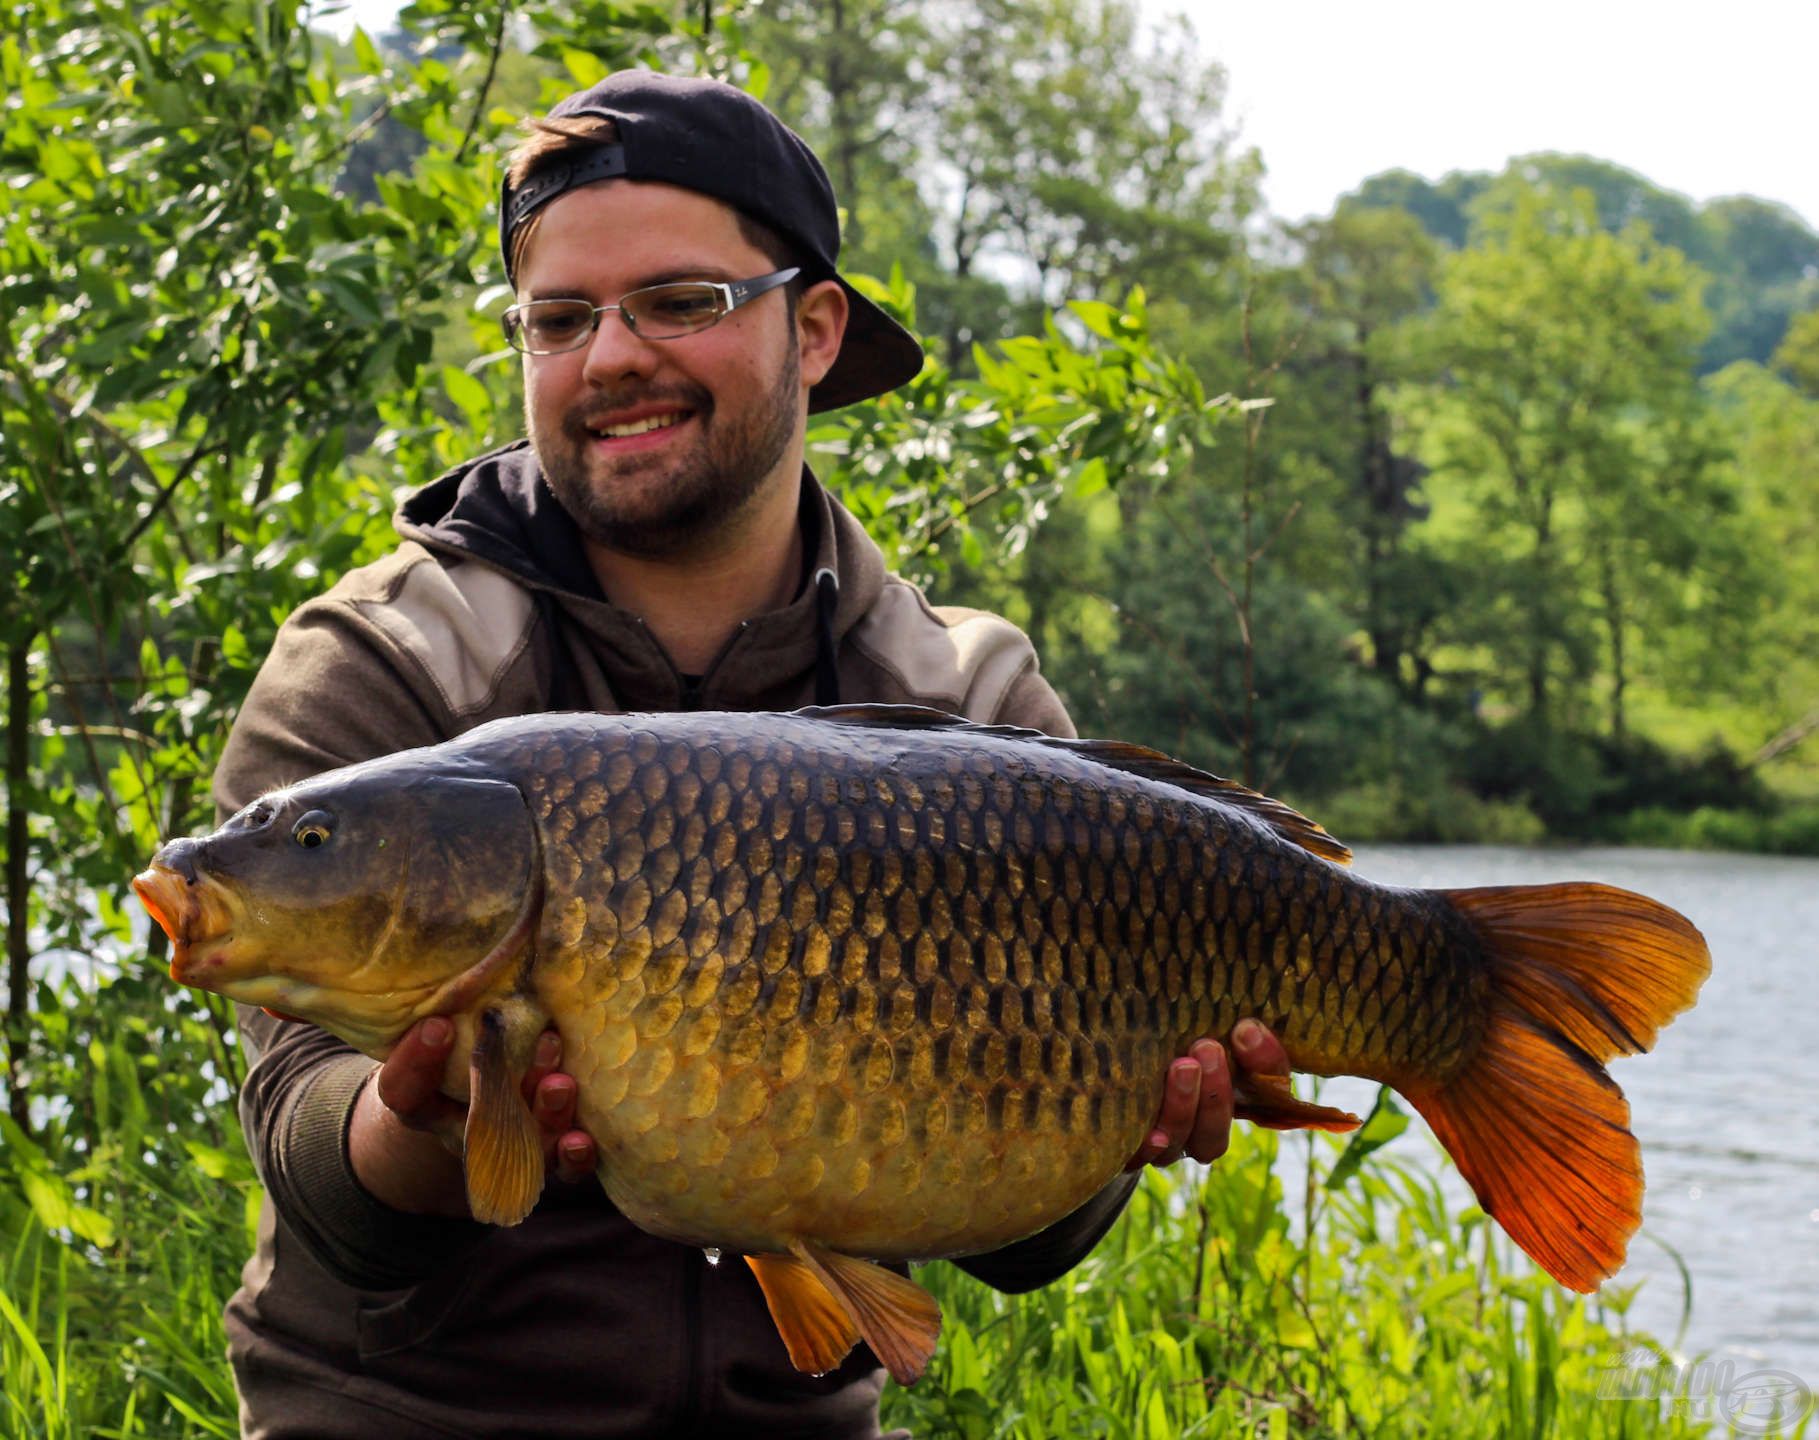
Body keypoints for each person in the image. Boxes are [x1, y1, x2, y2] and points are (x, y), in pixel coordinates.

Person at [213, 70, 1293, 1439]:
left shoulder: (969, 703)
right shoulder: (385, 666)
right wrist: (423, 1130)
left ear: (818, 328)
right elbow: (310, 1154)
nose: (611, 358)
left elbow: (1024, 1250)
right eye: (560, 319)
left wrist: (1112, 1128)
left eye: (681, 302)